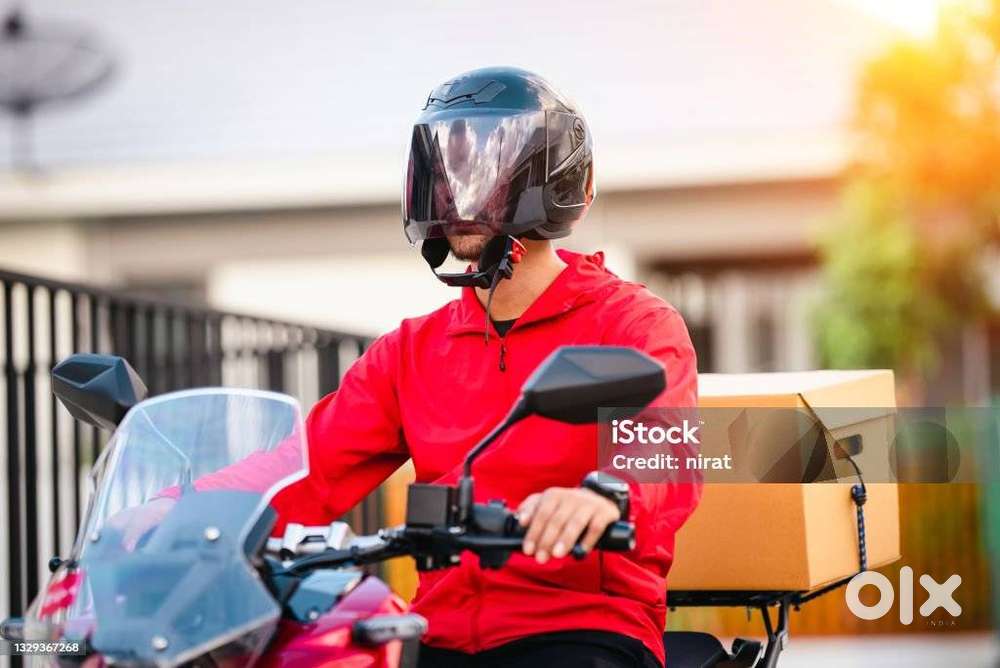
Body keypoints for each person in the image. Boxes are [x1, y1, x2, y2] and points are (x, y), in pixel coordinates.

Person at [118, 67, 701, 667]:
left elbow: (665, 452)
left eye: (488, 170)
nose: (460, 193)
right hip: (438, 631)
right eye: (446, 172)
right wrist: (176, 510)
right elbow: (305, 468)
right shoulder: (413, 349)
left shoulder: (633, 324)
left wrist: (605, 496)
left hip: (582, 628)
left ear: (550, 178)